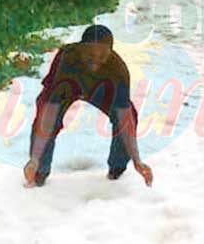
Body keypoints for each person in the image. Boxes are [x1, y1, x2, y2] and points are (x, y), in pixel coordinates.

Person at [24, 25, 153, 188]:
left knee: (130, 116)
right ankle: (38, 172)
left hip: (100, 90)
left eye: (103, 54)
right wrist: (35, 158)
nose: (95, 58)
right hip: (68, 87)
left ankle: (116, 169)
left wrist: (137, 160)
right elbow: (50, 112)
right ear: (80, 48)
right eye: (90, 53)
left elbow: (125, 118)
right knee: (44, 114)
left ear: (110, 53)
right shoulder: (67, 58)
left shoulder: (118, 70)